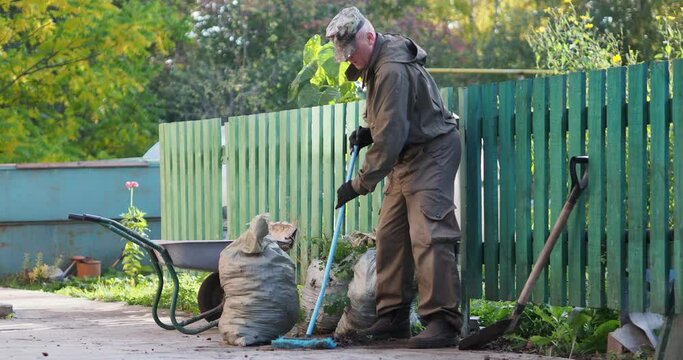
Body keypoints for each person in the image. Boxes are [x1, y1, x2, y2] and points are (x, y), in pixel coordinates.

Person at [326, 7, 463, 349]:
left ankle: (443, 321)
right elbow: (393, 121)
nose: (349, 60)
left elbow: (391, 138)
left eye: (352, 52)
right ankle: (393, 316)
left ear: (369, 37)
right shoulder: (376, 62)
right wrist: (368, 133)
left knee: (429, 234)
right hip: (407, 156)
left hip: (431, 153)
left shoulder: (390, 69)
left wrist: (358, 185)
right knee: (390, 236)